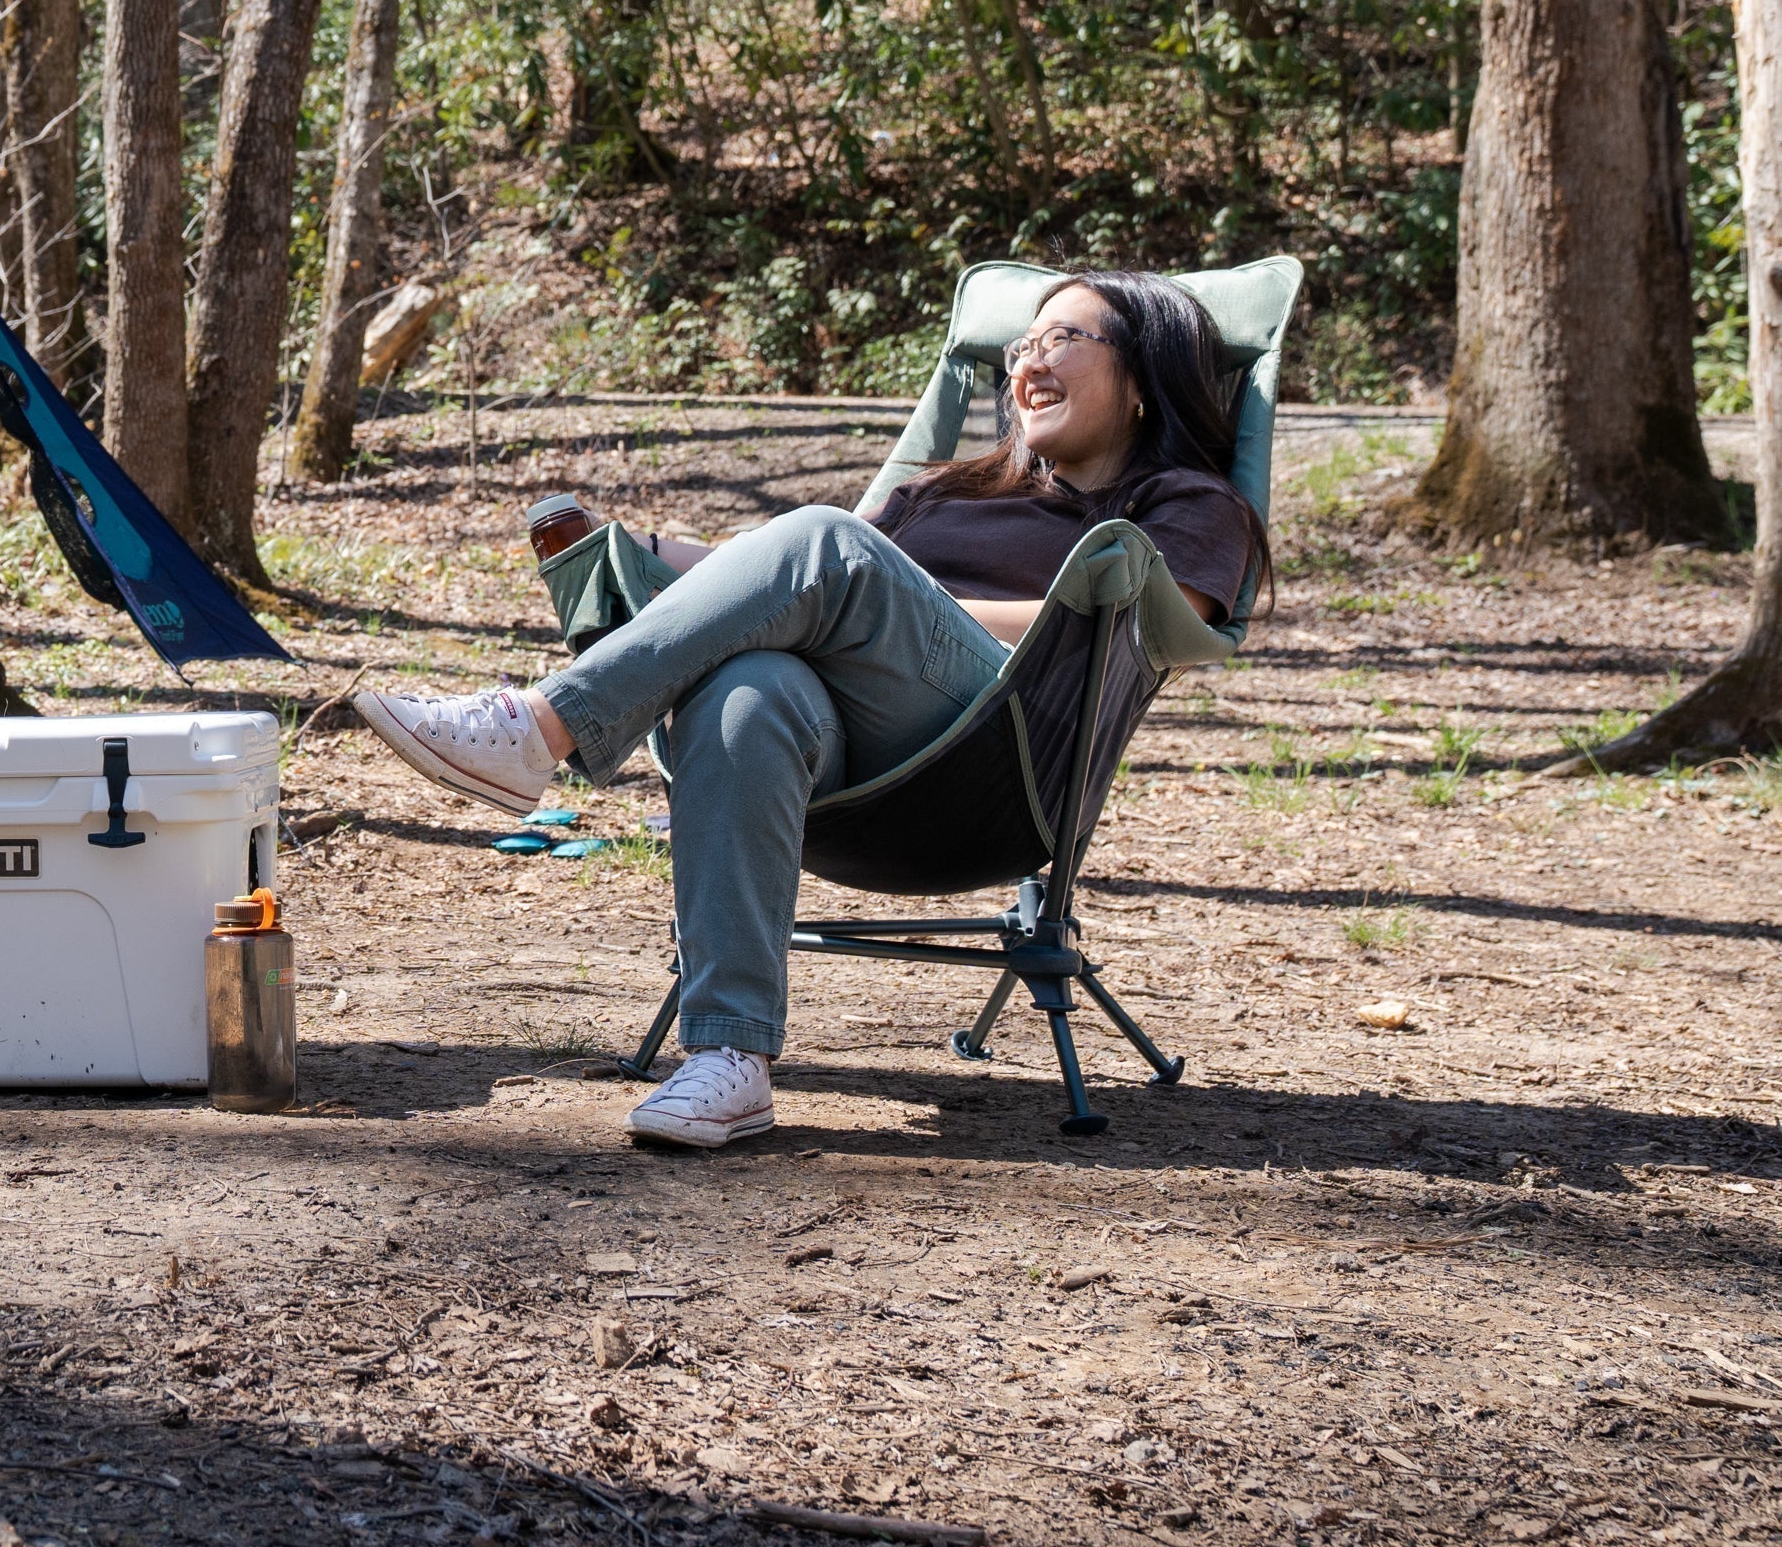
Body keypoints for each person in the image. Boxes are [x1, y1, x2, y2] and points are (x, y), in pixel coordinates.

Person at [354, 271, 1265, 1152]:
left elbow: (1146, 627)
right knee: (746, 690)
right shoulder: (946, 488)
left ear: (1141, 378)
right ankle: (729, 1057)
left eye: (1062, 338)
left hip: (998, 754)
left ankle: (541, 730)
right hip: (850, 754)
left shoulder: (1188, 502)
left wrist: (908, 598)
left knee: (830, 540)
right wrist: (645, 552)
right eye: (1021, 344)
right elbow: (796, 576)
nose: (1028, 361)